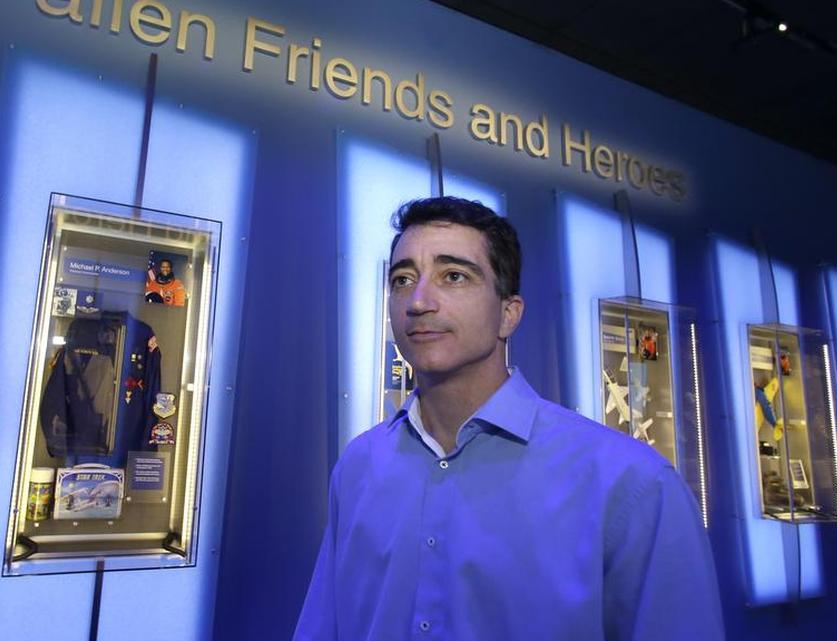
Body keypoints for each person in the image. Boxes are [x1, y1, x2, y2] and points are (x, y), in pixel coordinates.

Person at [293, 196, 723, 641]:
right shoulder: (359, 467)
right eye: (403, 279)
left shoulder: (631, 485)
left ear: (508, 313)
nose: (418, 301)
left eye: (453, 276)